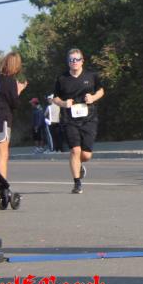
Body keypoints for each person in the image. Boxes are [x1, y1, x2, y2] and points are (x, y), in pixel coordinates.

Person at [53, 48, 104, 194]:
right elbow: (55, 98)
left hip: (89, 118)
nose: (74, 62)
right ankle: (77, 183)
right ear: (68, 62)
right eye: (71, 60)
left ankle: (79, 164)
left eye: (77, 59)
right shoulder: (62, 79)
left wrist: (93, 97)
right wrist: (64, 103)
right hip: (69, 119)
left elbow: (101, 91)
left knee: (86, 155)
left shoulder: (91, 76)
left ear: (82, 61)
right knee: (75, 150)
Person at [0, 52, 26, 180]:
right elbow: (14, 103)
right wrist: (18, 90)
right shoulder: (10, 81)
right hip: (3, 119)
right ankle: (1, 183)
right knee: (2, 154)